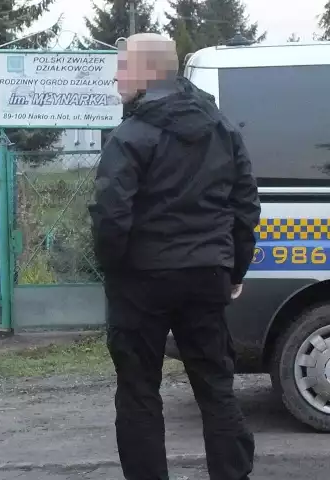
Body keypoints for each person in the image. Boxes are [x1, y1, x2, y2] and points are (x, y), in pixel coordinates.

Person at [88, 33, 260, 480]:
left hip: (142, 280)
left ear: (150, 72)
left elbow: (111, 212)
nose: (116, 76)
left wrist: (113, 268)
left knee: (139, 391)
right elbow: (245, 203)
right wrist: (233, 267)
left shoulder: (132, 134)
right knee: (216, 388)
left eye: (123, 65)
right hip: (207, 274)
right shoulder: (222, 128)